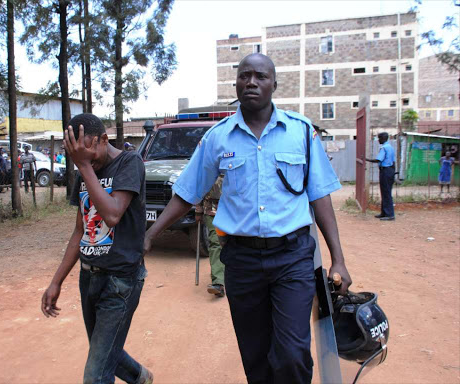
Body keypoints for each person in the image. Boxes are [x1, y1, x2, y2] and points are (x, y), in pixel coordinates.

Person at [144, 53, 352, 384]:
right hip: (241, 261)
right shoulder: (217, 137)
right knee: (256, 357)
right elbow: (188, 192)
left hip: (292, 258)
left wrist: (338, 260)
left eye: (260, 76)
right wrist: (151, 233)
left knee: (292, 354)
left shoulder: (300, 132)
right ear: (236, 83)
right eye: (244, 75)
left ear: (274, 84)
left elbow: (320, 196)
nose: (251, 82)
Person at [41, 113, 153, 384]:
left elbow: (113, 214)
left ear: (104, 139)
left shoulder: (129, 162)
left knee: (96, 374)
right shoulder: (86, 170)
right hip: (89, 278)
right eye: (78, 156)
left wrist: (84, 166)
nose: (86, 161)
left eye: (89, 153)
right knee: (104, 354)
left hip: (120, 281)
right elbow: (80, 231)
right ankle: (141, 377)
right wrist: (56, 282)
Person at [195, 174, 225, 297]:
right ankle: (218, 283)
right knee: (215, 242)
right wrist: (198, 210)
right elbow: (200, 187)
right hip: (211, 211)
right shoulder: (208, 163)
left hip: (233, 211)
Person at [366, 132, 396, 220]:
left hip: (385, 171)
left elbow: (378, 159)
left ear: (383, 138)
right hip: (390, 170)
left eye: (379, 138)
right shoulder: (390, 147)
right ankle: (384, 212)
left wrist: (366, 159)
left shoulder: (384, 148)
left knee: (386, 193)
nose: (378, 140)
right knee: (386, 192)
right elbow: (393, 161)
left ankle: (390, 214)